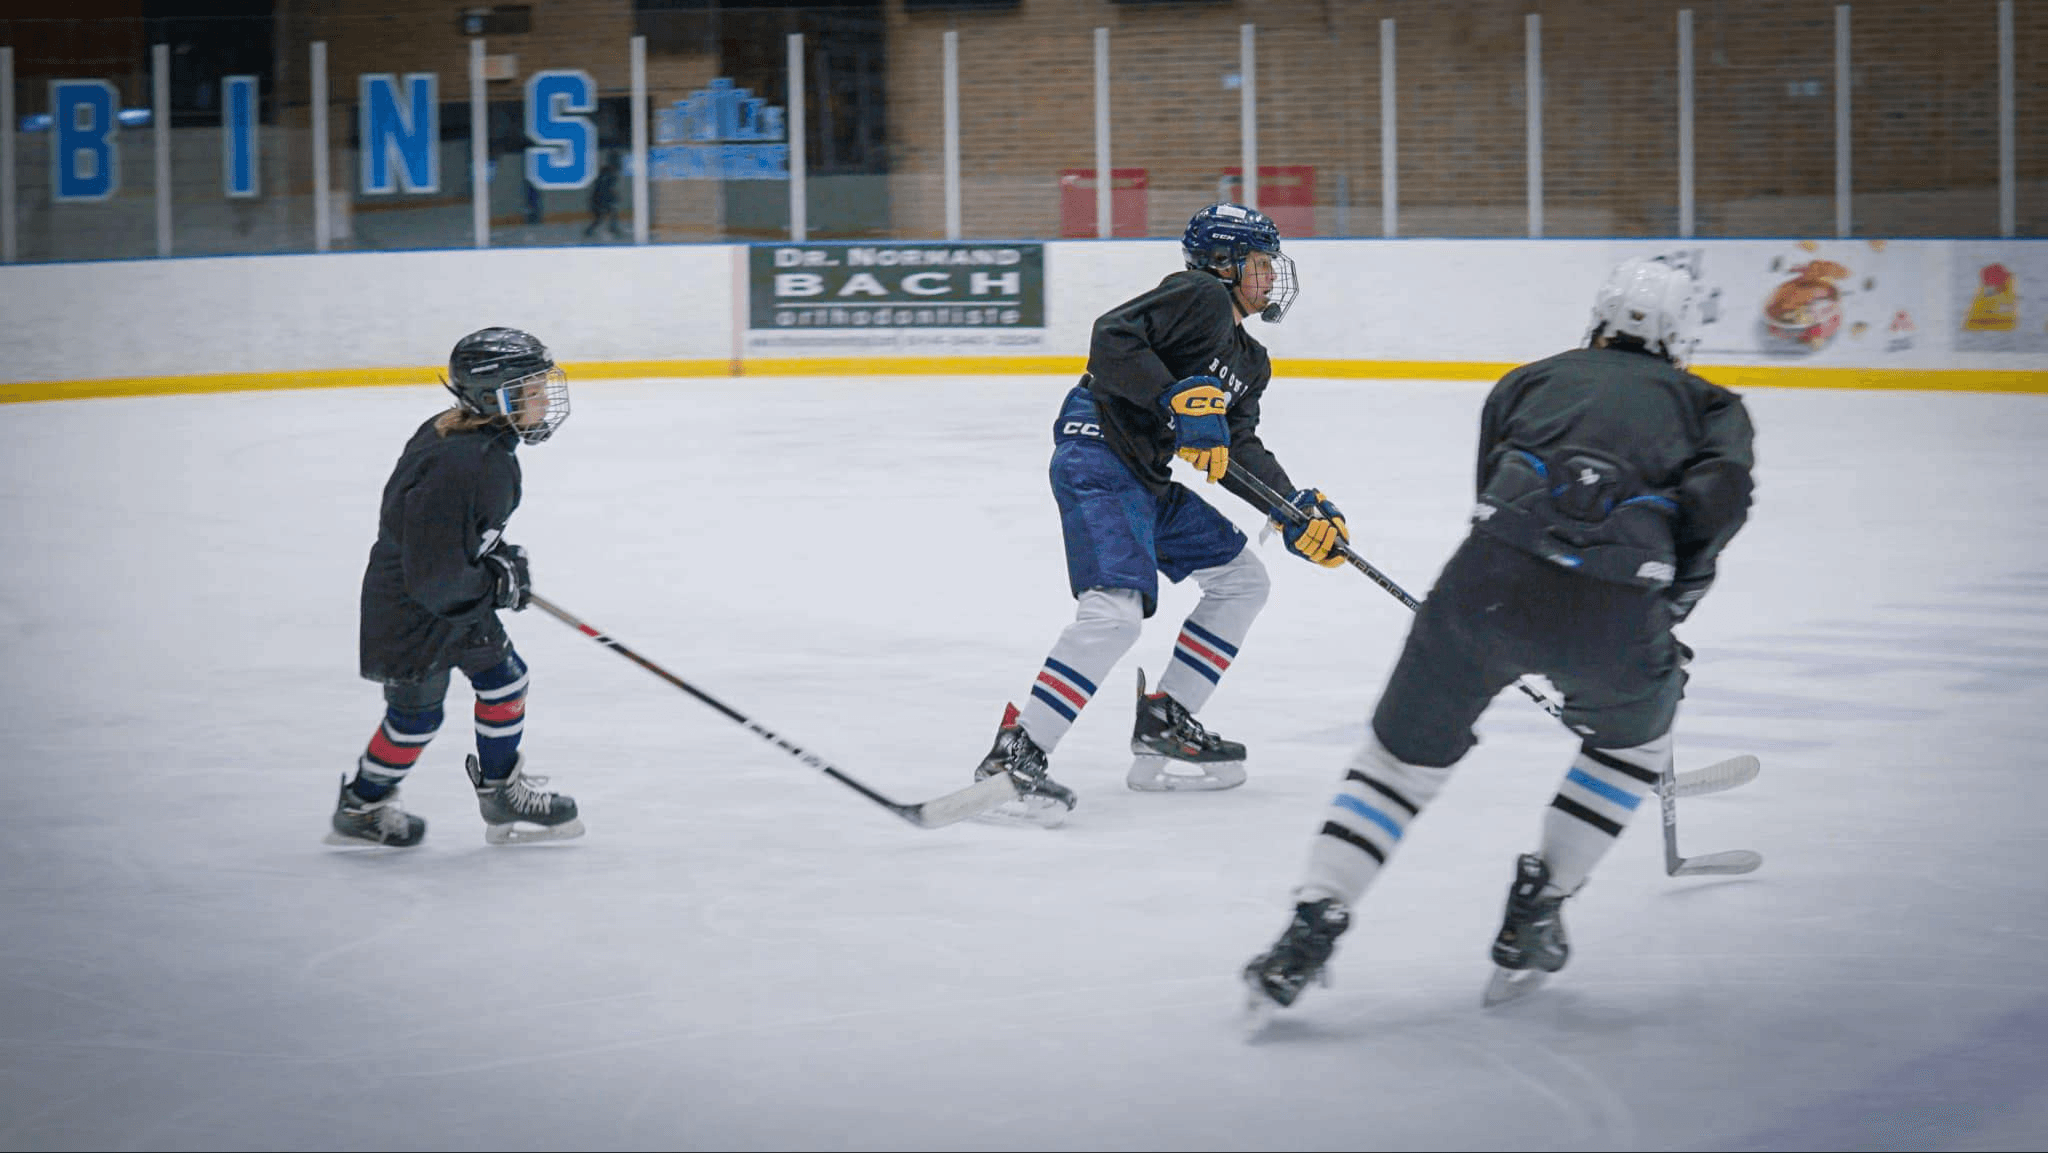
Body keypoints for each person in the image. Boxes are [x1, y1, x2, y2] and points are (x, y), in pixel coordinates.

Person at [1242, 255, 1755, 1012]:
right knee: (1632, 744)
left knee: (1398, 764)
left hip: (1486, 587)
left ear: (1601, 319)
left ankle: (1311, 922)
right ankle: (1538, 907)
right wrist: (1664, 615)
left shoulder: (1529, 380)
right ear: (1682, 335)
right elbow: (1716, 511)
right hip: (1618, 609)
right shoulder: (1713, 408)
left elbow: (1493, 491)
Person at [969, 203, 1353, 828]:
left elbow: (1237, 448)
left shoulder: (1250, 363)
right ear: (1224, 266)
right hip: (1096, 453)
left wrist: (1292, 509)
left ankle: (1165, 719)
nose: (1269, 278)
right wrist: (1174, 397)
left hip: (1145, 479)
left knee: (1242, 580)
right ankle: (1016, 756)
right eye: (1259, 264)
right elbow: (1112, 336)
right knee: (1115, 614)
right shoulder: (1197, 296)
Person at [326, 327, 585, 848]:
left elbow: (449, 545)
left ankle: (502, 792)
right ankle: (362, 804)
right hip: (413, 608)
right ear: (495, 398)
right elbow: (435, 577)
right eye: (530, 390)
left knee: (505, 683)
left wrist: (494, 564)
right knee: (416, 716)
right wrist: (495, 582)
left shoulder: (478, 443)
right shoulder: (466, 463)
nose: (543, 400)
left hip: (450, 593)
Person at [585, 150, 624, 240]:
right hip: (600, 198)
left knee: (609, 214)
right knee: (602, 216)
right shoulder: (607, 173)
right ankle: (591, 230)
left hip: (601, 198)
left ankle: (612, 228)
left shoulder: (610, 173)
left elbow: (609, 188)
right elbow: (603, 188)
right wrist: (612, 198)